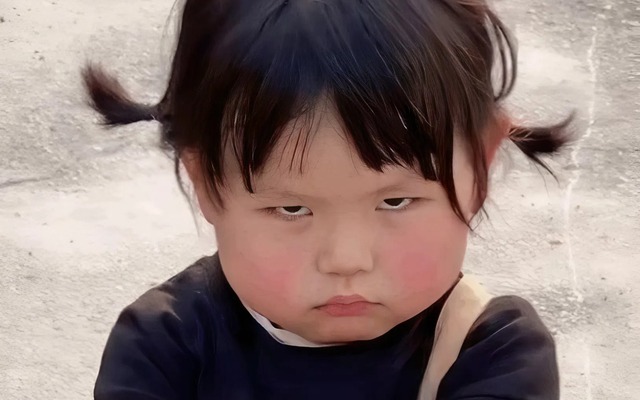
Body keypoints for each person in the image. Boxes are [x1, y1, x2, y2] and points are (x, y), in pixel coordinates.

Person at [83, 0, 571, 399]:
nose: (346, 260)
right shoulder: (164, 350)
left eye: (396, 201)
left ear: (481, 167)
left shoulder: (490, 355)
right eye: (292, 209)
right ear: (206, 184)